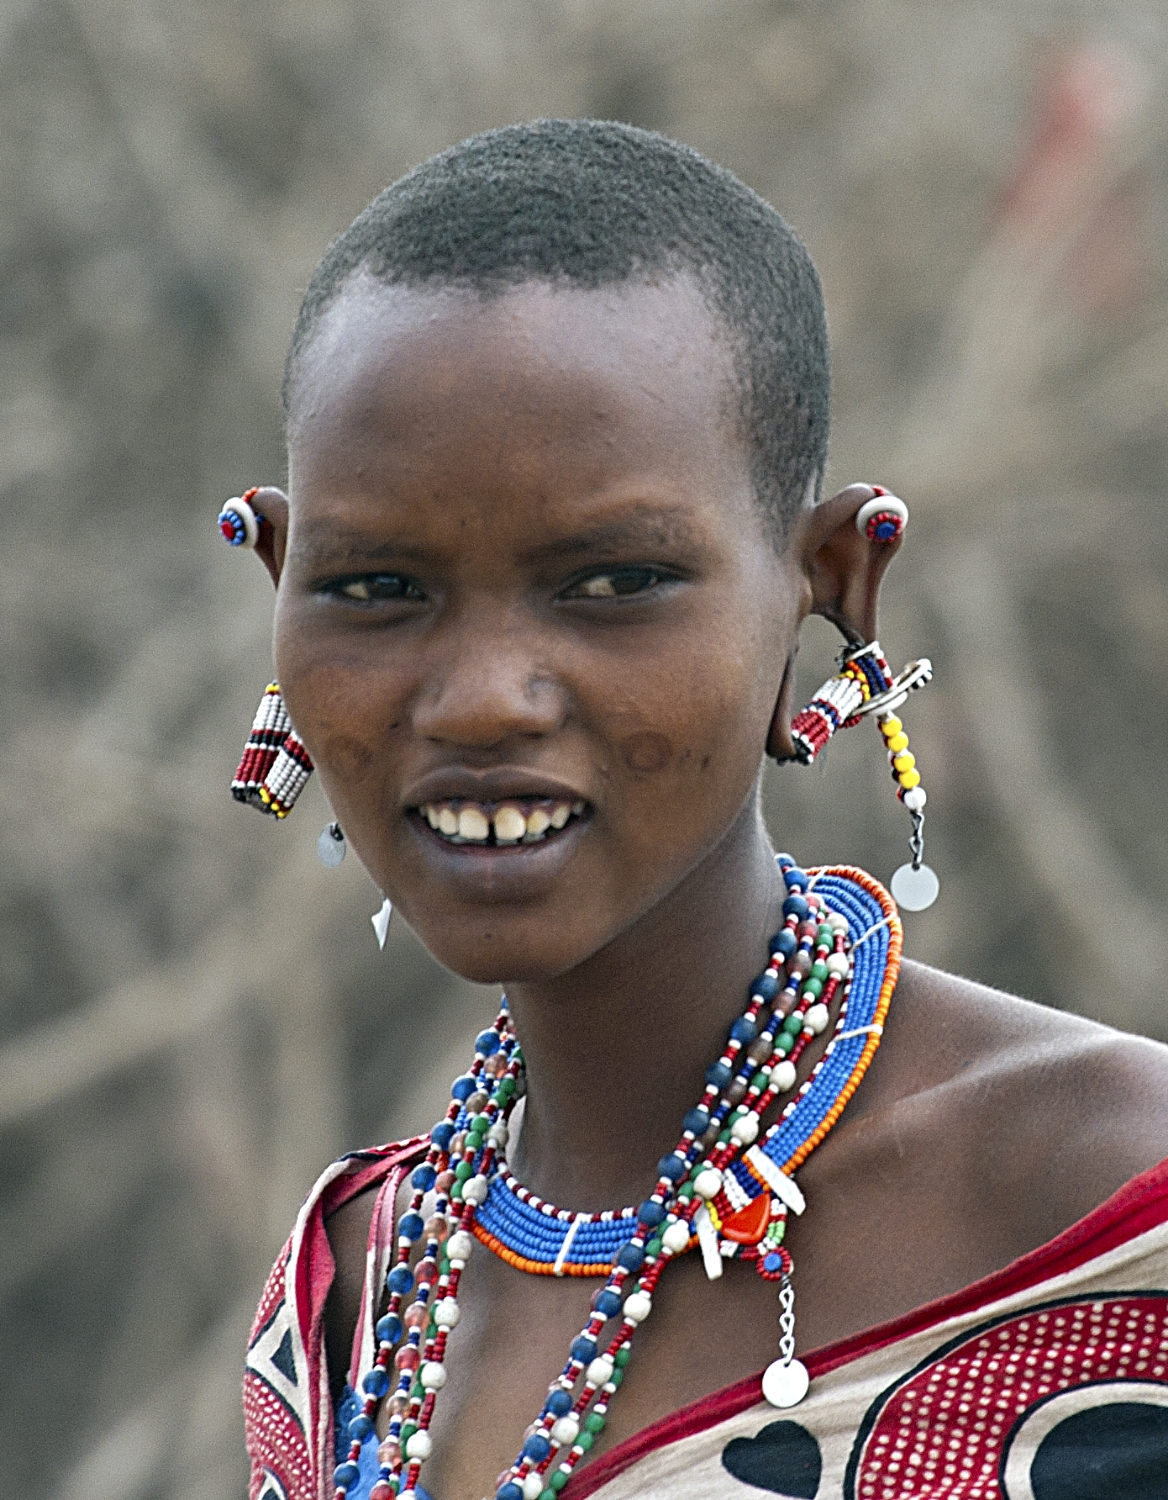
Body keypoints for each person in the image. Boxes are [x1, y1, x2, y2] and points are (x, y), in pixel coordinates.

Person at [233, 121, 1168, 1500]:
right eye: (376, 588)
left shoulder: (1108, 1215)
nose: (484, 700)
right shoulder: (344, 1307)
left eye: (612, 581)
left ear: (832, 580)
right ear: (277, 581)